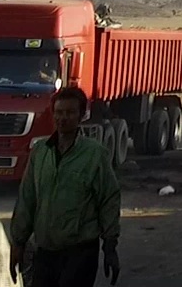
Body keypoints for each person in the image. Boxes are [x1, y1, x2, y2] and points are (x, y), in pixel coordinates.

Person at [11, 87, 121, 286]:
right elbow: (27, 199)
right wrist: (18, 243)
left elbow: (109, 200)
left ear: (81, 116)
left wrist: (110, 246)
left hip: (80, 252)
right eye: (59, 112)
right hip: (45, 251)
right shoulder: (40, 152)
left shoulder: (95, 155)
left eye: (70, 113)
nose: (64, 118)